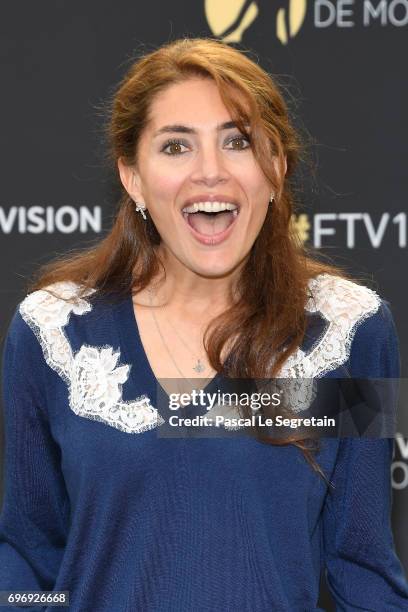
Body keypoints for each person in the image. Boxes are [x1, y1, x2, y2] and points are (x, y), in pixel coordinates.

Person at [1, 37, 407, 611]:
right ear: (133, 178)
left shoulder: (349, 330)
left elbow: (362, 570)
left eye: (237, 142)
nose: (210, 174)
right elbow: (26, 559)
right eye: (175, 147)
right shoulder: (52, 332)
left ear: (276, 170)